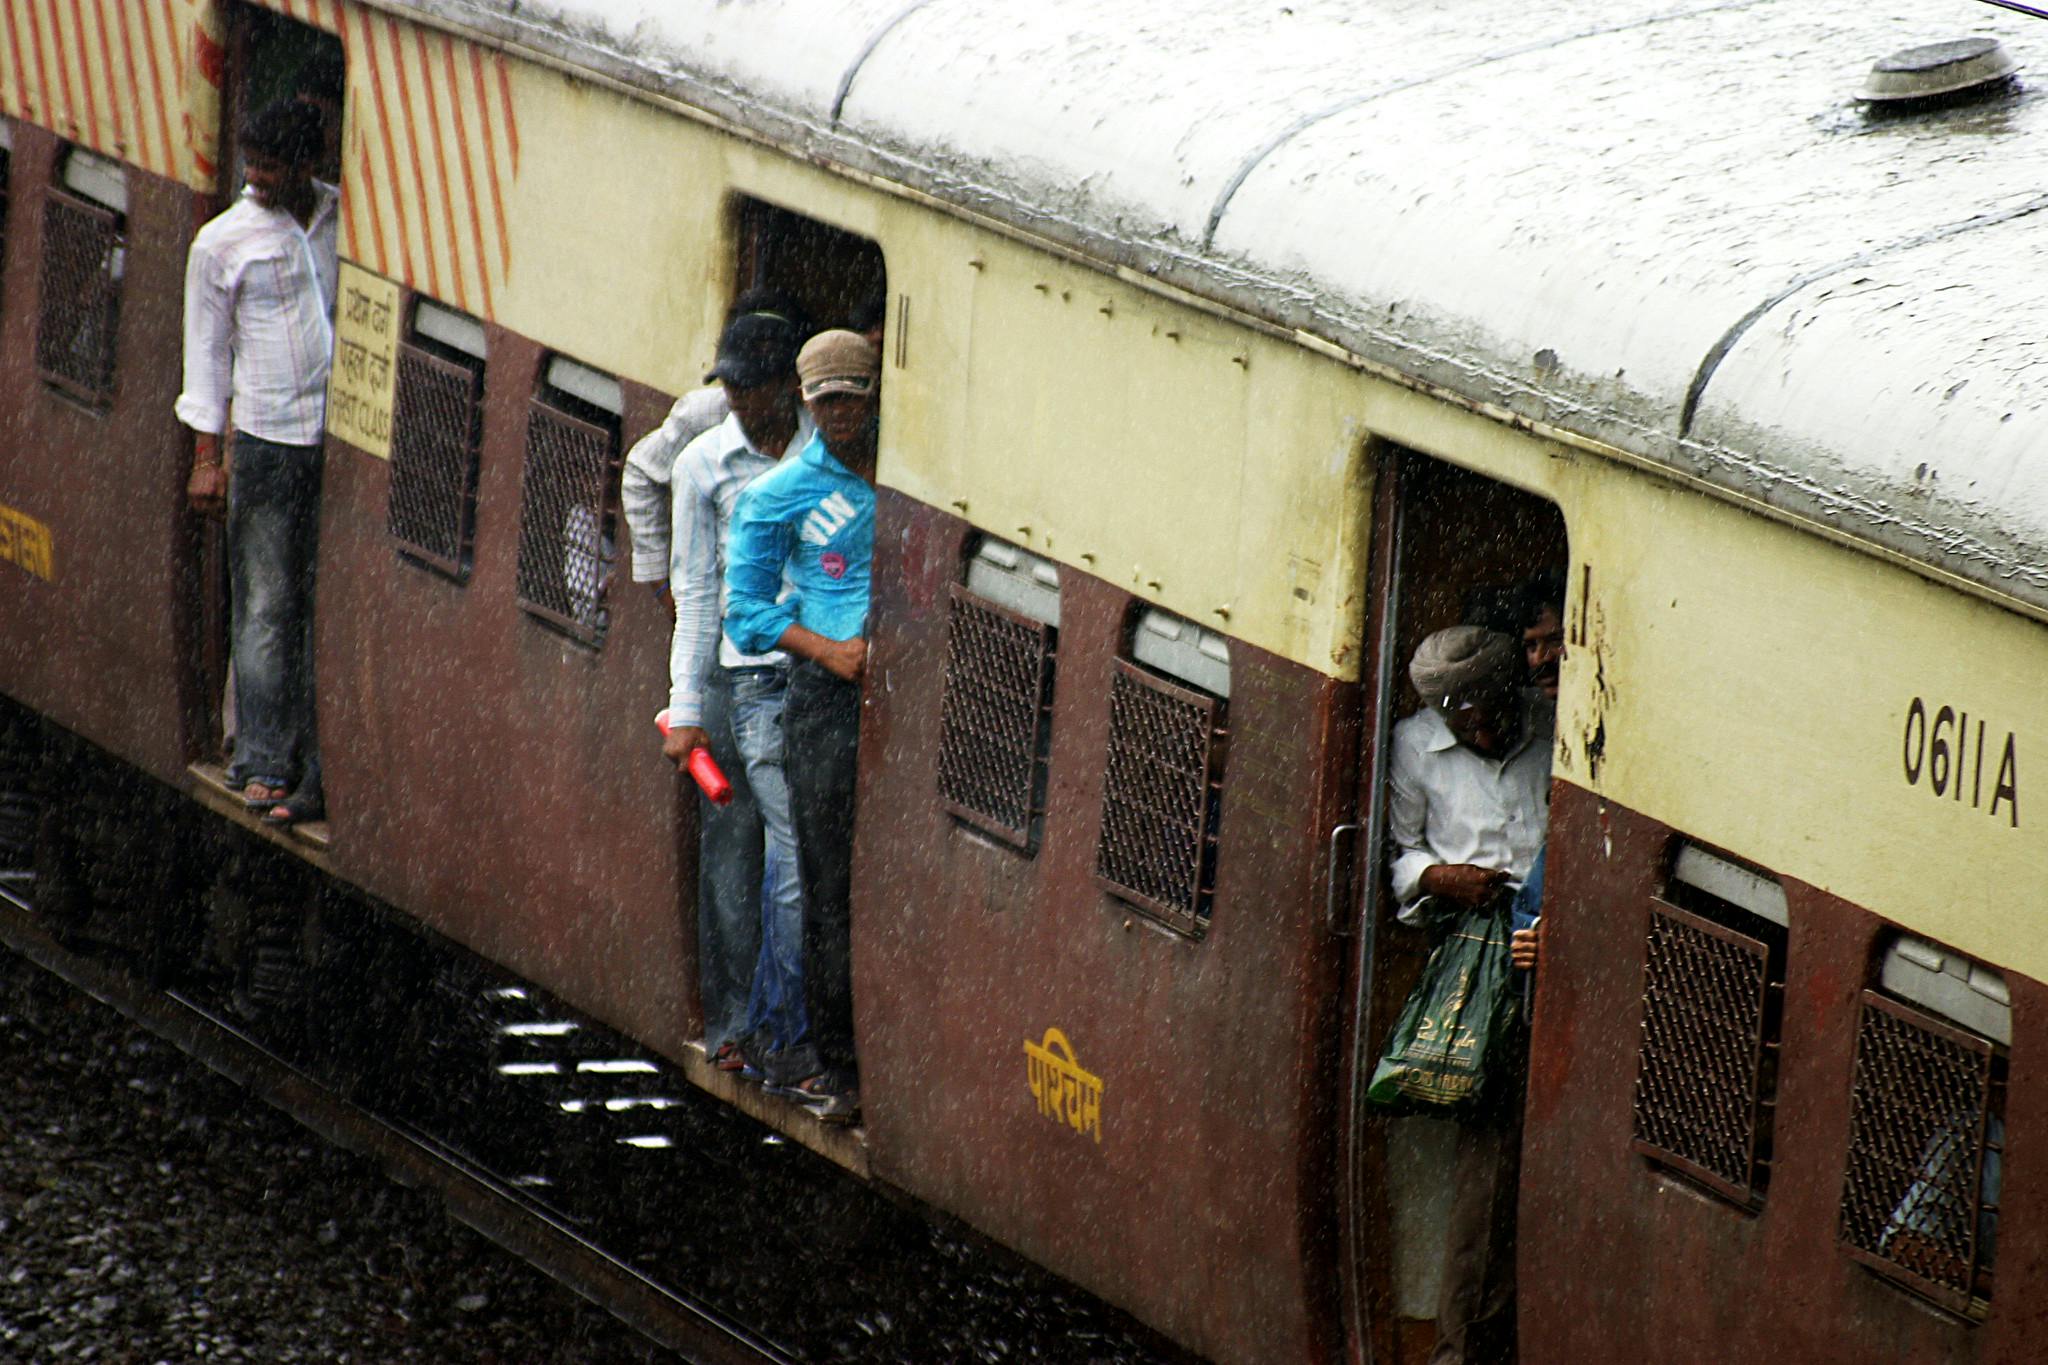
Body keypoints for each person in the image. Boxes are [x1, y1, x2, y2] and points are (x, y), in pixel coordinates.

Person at [723, 330, 880, 1126]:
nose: (844, 412)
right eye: (829, 400)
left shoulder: (904, 481)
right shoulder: (779, 494)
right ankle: (837, 1062)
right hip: (827, 698)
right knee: (829, 884)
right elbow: (744, 612)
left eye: (855, 395)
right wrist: (826, 649)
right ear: (805, 401)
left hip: (895, 693)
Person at [1386, 625, 1552, 1365]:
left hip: (1550, 936)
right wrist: (1436, 878)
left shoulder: (1553, 726)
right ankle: (1463, 1349)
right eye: (1465, 722)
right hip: (1477, 947)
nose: (1482, 730)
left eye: (1491, 714)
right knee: (1490, 1158)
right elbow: (1401, 856)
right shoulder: (1414, 745)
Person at [658, 311, 816, 1087]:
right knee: (732, 849)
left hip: (805, 667)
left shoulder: (823, 453)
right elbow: (694, 589)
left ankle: (786, 1022)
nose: (744, 404)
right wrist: (686, 704)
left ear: (789, 385)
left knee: (795, 853)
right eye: (734, 389)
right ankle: (731, 1022)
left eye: (755, 389)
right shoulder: (701, 464)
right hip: (728, 670)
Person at [177, 100, 339, 827]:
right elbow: (206, 354)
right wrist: (208, 455)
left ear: (309, 164)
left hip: (333, 446)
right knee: (267, 603)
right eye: (253, 164)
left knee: (317, 607)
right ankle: (264, 756)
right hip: (268, 441)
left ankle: (312, 761)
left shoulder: (341, 222)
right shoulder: (224, 241)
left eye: (271, 166)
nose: (256, 178)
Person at [621, 290, 811, 618]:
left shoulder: (818, 432)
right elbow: (641, 471)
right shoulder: (703, 414)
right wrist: (661, 584)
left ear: (788, 382)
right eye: (730, 382)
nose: (737, 396)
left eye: (750, 384)